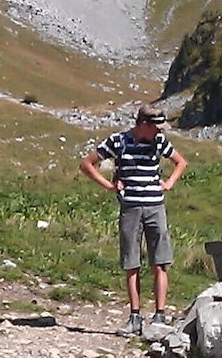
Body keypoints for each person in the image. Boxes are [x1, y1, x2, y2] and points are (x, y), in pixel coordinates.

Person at [79, 104, 188, 337]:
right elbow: (87, 164)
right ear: (144, 124)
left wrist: (169, 183)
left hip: (155, 206)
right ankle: (135, 316)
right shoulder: (118, 141)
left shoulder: (159, 142)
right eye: (156, 127)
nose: (159, 131)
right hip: (130, 208)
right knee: (131, 262)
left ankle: (160, 316)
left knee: (160, 262)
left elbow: (181, 162)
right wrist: (109, 185)